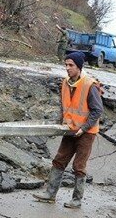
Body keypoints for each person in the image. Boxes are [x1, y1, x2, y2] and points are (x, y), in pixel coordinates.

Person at [33, 52, 103, 208]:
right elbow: (65, 105)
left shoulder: (89, 85)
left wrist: (84, 128)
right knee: (59, 160)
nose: (67, 68)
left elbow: (97, 110)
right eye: (66, 65)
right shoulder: (66, 83)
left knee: (79, 165)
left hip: (86, 132)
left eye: (71, 65)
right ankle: (50, 194)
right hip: (70, 129)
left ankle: (77, 200)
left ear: (79, 66)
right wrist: (60, 122)